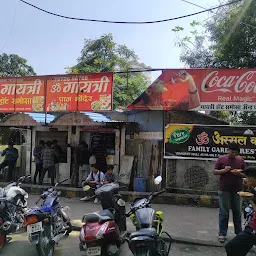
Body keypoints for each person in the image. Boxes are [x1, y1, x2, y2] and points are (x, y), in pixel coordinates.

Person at [214, 142, 247, 243]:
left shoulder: (241, 160)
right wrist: (224, 170)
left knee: (237, 212)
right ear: (228, 150)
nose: (233, 154)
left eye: (235, 153)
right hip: (224, 189)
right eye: (232, 152)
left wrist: (240, 173)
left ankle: (239, 234)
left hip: (237, 190)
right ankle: (222, 234)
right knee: (224, 212)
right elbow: (215, 172)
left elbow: (245, 174)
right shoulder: (221, 159)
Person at [225, 166, 256, 256]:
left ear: (252, 178)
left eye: (247, 177)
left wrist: (250, 199)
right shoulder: (254, 188)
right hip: (251, 225)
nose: (245, 180)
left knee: (231, 247)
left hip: (253, 229)